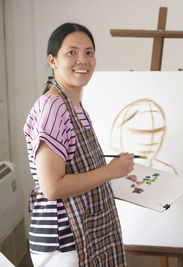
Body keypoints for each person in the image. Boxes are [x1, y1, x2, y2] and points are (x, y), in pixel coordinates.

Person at [24, 23, 135, 266]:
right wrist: (110, 171)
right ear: (53, 61)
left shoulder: (74, 106)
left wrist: (115, 171)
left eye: (89, 52)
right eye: (72, 52)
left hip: (83, 232)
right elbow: (52, 187)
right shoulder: (52, 106)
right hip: (63, 241)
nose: (83, 60)